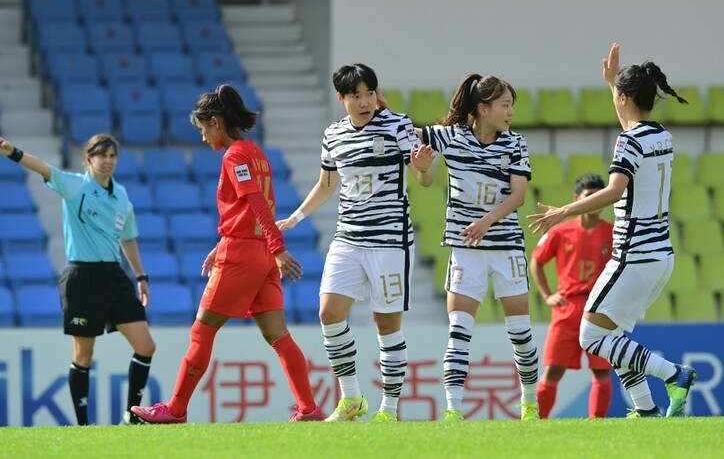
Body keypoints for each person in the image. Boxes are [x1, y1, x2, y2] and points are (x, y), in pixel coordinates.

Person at [132, 84, 323, 423]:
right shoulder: (257, 153)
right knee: (278, 336)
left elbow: (256, 204)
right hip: (259, 254)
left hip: (246, 255)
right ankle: (308, 408)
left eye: (204, 128)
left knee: (201, 332)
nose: (204, 136)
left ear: (216, 122)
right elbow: (250, 210)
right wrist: (229, 245)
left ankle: (175, 410)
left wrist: (277, 247)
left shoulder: (234, 155)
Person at [529, 43, 697, 418]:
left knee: (591, 338)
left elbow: (615, 190)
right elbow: (631, 124)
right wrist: (612, 86)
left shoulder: (629, 141)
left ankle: (674, 374)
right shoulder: (661, 136)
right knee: (611, 339)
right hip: (660, 257)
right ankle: (646, 409)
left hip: (633, 256)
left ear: (624, 98)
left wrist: (564, 211)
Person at [277, 63, 435, 422]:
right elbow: (327, 185)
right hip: (347, 238)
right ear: (341, 98)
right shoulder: (333, 134)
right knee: (329, 313)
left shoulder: (398, 125)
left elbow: (424, 179)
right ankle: (351, 399)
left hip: (389, 241)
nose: (364, 102)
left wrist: (424, 166)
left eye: (369, 94)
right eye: (355, 95)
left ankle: (389, 410)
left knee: (386, 324)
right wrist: (296, 217)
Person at [0, 133, 156, 426]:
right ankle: (83, 426)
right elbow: (44, 168)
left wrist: (141, 276)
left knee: (145, 345)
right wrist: (13, 152)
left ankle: (131, 417)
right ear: (88, 159)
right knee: (84, 354)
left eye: (112, 156)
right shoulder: (76, 186)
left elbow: (128, 238)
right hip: (81, 277)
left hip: (114, 276)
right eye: (102, 155)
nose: (108, 161)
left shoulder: (120, 194)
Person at [419, 73, 540, 422]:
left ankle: (529, 403)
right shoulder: (450, 138)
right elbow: (421, 169)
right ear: (483, 108)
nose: (511, 112)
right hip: (466, 250)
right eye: (505, 105)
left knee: (520, 334)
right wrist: (423, 170)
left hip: (505, 248)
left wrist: (486, 222)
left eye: (512, 106)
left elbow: (518, 196)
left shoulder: (515, 143)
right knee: (459, 331)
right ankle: (454, 409)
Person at [530, 173, 614, 419]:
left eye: (600, 197)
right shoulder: (560, 231)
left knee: (601, 372)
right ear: (577, 199)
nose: (595, 202)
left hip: (599, 308)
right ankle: (538, 424)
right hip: (567, 308)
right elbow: (536, 262)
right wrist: (547, 295)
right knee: (553, 370)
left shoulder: (614, 232)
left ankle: (597, 426)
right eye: (590, 197)